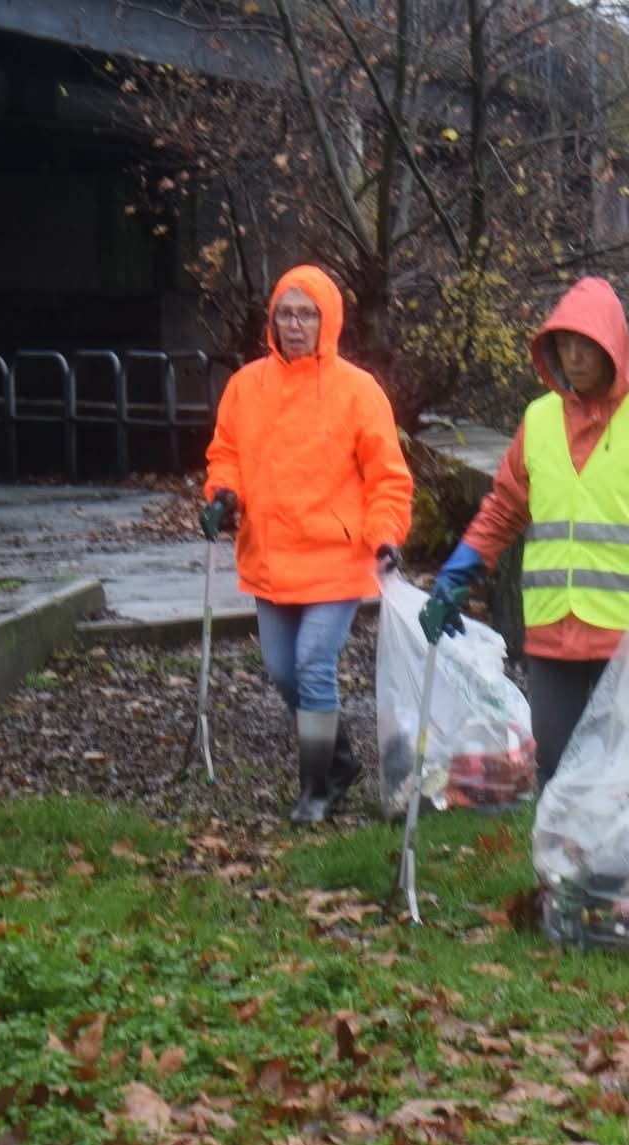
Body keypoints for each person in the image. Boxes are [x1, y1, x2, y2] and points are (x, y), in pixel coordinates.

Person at [419, 276, 629, 782]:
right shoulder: (538, 420)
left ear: (613, 349)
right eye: (564, 344)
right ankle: (565, 859)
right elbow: (504, 509)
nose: (574, 357)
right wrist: (456, 573)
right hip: (553, 629)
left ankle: (621, 860)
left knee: (627, 767)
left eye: (587, 345)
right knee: (556, 761)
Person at [200, 263, 413, 824]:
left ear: (328, 320)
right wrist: (223, 495)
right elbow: (226, 454)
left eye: (307, 314)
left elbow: (387, 476)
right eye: (285, 314)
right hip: (269, 555)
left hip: (337, 558)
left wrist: (386, 534)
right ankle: (339, 760)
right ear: (272, 320)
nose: (295, 325)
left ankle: (317, 788)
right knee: (282, 671)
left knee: (314, 664)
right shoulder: (247, 386)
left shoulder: (357, 391)